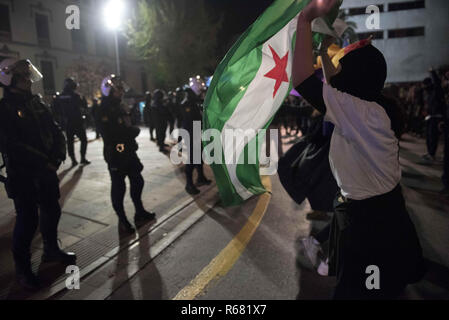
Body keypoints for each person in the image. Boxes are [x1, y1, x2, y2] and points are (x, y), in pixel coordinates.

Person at [292, 0, 425, 299]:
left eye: (342, 65)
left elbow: (301, 79)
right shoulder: (371, 109)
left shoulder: (360, 113)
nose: (336, 70)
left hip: (370, 223)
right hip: (378, 214)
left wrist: (304, 20)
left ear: (355, 76)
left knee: (362, 293)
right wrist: (325, 50)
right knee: (378, 290)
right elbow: (332, 84)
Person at [0, 59, 76, 290]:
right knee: (27, 220)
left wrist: (56, 157)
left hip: (46, 171)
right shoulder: (5, 109)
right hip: (23, 173)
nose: (29, 81)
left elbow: (55, 131)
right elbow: (12, 144)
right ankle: (23, 270)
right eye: (24, 77)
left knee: (52, 208)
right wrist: (44, 162)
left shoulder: (36, 103)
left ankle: (51, 250)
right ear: (10, 79)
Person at [97, 75, 156, 234]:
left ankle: (139, 211)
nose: (122, 92)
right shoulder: (103, 108)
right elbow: (111, 133)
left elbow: (127, 124)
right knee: (119, 187)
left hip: (129, 150)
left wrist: (130, 130)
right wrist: (132, 132)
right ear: (109, 90)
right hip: (116, 153)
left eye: (122, 89)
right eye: (118, 89)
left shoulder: (119, 106)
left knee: (137, 181)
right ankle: (122, 220)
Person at [180, 88, 212, 195]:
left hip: (196, 132)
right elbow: (191, 119)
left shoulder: (193, 103)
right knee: (192, 159)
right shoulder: (187, 104)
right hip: (191, 133)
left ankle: (201, 177)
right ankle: (189, 184)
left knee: (198, 157)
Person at [53, 77, 90, 167]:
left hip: (67, 122)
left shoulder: (59, 97)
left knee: (70, 141)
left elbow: (55, 109)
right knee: (83, 140)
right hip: (77, 121)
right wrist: (83, 98)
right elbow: (84, 106)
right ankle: (82, 158)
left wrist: (62, 117)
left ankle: (73, 159)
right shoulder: (75, 96)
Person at [422, 69, 446, 161]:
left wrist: (433, 73)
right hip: (430, 117)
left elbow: (437, 84)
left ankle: (432, 154)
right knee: (428, 136)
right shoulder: (429, 94)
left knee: (433, 137)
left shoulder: (436, 91)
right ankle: (430, 153)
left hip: (437, 117)